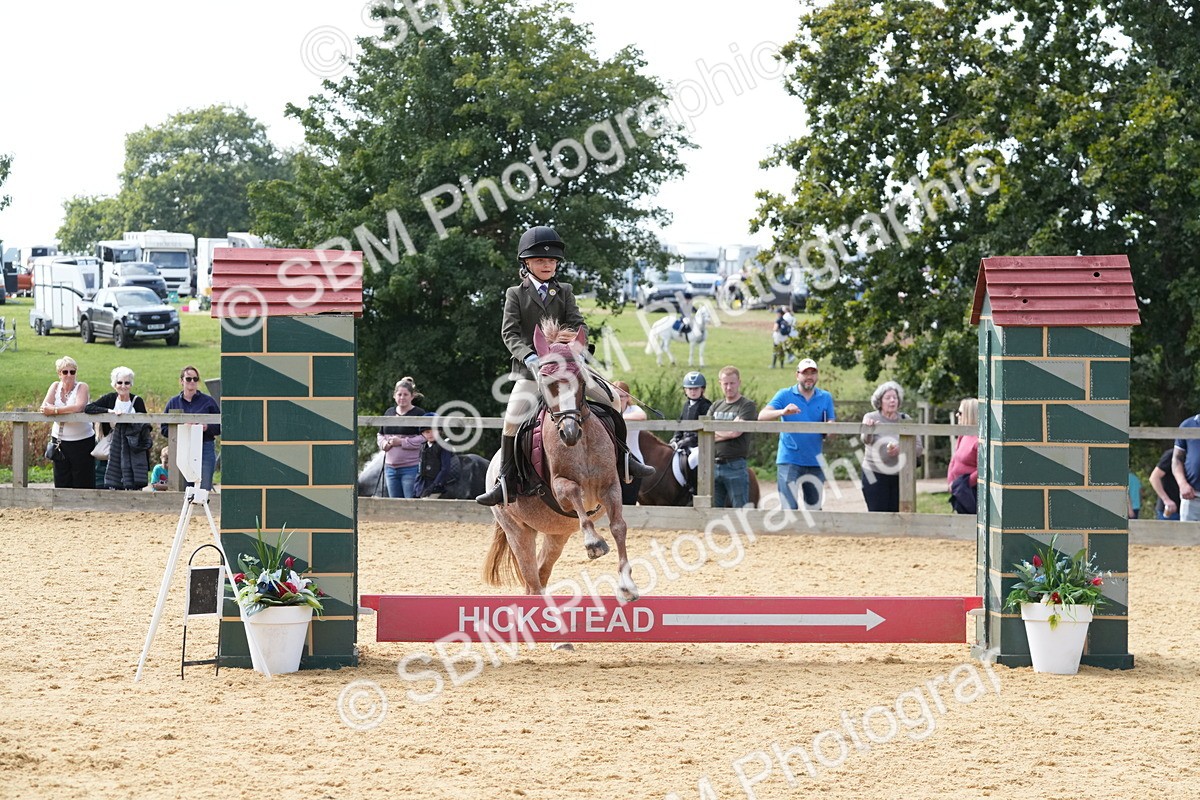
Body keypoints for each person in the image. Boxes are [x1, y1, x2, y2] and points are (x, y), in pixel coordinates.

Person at [476, 225, 653, 506]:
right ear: (527, 263)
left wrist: (579, 349)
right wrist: (530, 356)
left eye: (552, 261)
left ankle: (625, 460)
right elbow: (509, 333)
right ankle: (506, 480)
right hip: (533, 371)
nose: (547, 265)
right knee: (512, 419)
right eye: (540, 261)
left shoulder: (565, 290)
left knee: (611, 400)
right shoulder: (515, 294)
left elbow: (577, 322)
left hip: (569, 367)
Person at [758, 357, 836, 510]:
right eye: (805, 373)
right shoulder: (784, 394)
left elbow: (831, 424)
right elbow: (762, 415)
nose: (809, 377)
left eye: (813, 373)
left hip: (815, 460)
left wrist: (830, 429)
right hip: (789, 459)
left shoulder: (825, 397)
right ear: (797, 375)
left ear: (817, 375)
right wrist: (783, 411)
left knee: (814, 510)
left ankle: (812, 535)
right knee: (789, 508)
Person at [860, 380, 923, 512]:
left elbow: (918, 448)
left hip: (899, 476)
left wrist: (903, 448)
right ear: (880, 401)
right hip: (874, 474)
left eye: (895, 397)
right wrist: (869, 429)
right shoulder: (870, 416)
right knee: (878, 513)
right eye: (888, 398)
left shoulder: (906, 419)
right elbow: (865, 440)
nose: (892, 401)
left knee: (898, 515)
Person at [86, 366, 152, 490]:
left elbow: (146, 425)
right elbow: (89, 408)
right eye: (119, 382)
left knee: (133, 484)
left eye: (127, 383)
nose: (123, 386)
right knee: (111, 483)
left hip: (133, 447)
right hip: (113, 447)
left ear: (131, 384)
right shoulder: (109, 399)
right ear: (114, 384)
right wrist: (109, 411)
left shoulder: (137, 401)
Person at [161, 366, 221, 491]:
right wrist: (183, 428)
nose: (192, 382)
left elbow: (220, 427)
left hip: (205, 446)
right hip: (183, 448)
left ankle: (203, 510)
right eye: (188, 379)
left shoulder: (208, 401)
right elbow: (164, 429)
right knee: (184, 488)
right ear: (181, 381)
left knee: (204, 487)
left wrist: (206, 427)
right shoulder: (173, 403)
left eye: (195, 379)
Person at [39, 356, 95, 488]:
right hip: (59, 440)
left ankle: (83, 507)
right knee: (61, 477)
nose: (69, 375)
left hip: (82, 439)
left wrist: (56, 410)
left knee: (82, 477)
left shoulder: (82, 387)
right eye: (65, 372)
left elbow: (79, 407)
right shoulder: (54, 386)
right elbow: (45, 407)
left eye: (72, 372)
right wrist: (54, 410)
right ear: (59, 374)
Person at [709, 366, 757, 508]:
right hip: (714, 464)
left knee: (739, 510)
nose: (729, 387)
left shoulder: (746, 405)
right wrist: (726, 432)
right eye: (725, 384)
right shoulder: (715, 406)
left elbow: (735, 432)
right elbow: (704, 434)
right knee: (714, 510)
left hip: (735, 465)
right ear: (720, 384)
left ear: (739, 383)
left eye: (732, 383)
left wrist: (715, 432)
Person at [378, 377, 426, 498]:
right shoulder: (388, 412)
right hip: (390, 469)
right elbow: (380, 434)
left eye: (405, 394)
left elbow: (424, 437)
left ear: (412, 396)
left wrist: (401, 442)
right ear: (394, 396)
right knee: (394, 505)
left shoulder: (419, 413)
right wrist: (385, 444)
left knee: (410, 503)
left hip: (410, 468)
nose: (402, 397)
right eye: (399, 394)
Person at [614, 380, 647, 506]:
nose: (619, 399)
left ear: (628, 397)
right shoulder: (610, 409)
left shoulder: (633, 409)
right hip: (613, 459)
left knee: (629, 499)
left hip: (633, 457)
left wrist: (619, 418)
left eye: (622, 396)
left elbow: (642, 415)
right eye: (616, 396)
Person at [946, 398, 980, 515]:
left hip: (971, 492)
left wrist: (966, 483)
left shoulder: (978, 441)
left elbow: (983, 469)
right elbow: (954, 460)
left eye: (960, 413)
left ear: (969, 414)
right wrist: (952, 483)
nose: (957, 415)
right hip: (959, 490)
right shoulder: (963, 435)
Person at [414, 413, 457, 498]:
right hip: (423, 486)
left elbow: (445, 469)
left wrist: (434, 486)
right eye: (427, 432)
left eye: (433, 431)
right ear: (422, 433)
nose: (430, 434)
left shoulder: (444, 446)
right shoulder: (423, 446)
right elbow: (420, 468)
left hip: (438, 486)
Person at [1172, 413, 1200, 522]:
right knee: (1187, 537)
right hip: (1192, 497)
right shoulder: (1188, 425)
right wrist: (1182, 484)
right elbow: (1177, 459)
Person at [1149, 448, 1181, 521]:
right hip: (1170, 510)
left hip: (1188, 508)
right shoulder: (1172, 454)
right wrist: (1166, 500)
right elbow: (1154, 477)